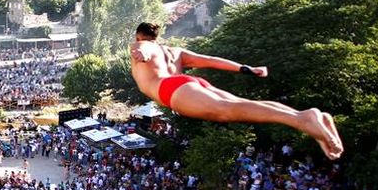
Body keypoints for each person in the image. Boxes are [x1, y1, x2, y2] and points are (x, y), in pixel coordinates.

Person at [129, 22, 343, 160]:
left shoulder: (142, 46)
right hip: (191, 81)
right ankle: (303, 115)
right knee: (238, 105)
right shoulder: (174, 51)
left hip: (169, 88)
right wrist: (246, 69)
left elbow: (144, 49)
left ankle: (301, 119)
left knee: (225, 111)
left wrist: (142, 54)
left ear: (139, 36)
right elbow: (211, 61)